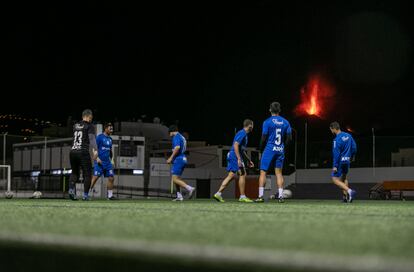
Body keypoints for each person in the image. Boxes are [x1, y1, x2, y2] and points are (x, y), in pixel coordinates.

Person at [255, 102, 292, 203]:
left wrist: (260, 148)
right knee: (279, 173)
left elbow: (263, 138)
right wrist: (284, 148)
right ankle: (281, 196)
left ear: (270, 110)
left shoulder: (267, 122)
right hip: (280, 149)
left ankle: (260, 196)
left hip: (269, 149)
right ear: (279, 110)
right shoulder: (286, 122)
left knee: (263, 172)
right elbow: (289, 138)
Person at [213, 119, 254, 203]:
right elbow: (235, 145)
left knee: (231, 175)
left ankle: (218, 194)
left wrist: (248, 160)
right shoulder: (242, 133)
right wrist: (239, 158)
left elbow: (241, 150)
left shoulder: (244, 134)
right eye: (252, 125)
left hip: (233, 155)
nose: (253, 127)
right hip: (234, 155)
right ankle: (242, 196)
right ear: (250, 126)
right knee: (242, 174)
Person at [68, 109, 97, 201]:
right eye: (91, 117)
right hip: (83, 151)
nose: (91, 119)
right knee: (87, 174)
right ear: (89, 116)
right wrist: (95, 150)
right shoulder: (89, 126)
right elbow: (91, 139)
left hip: (73, 151)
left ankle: (71, 189)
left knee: (74, 172)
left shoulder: (75, 125)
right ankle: (85, 195)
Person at [329, 121, 357, 203]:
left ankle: (350, 191)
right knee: (344, 178)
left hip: (340, 162)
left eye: (331, 129)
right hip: (347, 161)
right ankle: (346, 198)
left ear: (334, 129)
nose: (331, 131)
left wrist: (335, 166)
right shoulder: (349, 135)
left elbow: (336, 155)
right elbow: (354, 147)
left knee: (334, 179)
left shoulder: (336, 140)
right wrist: (352, 157)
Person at [166, 125, 195, 201]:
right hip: (183, 158)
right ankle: (179, 196)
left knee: (174, 179)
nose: (169, 135)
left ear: (172, 131)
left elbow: (177, 148)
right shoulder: (182, 137)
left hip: (179, 159)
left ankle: (190, 188)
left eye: (169, 133)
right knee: (176, 178)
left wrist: (170, 158)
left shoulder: (176, 137)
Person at [90, 123, 117, 200]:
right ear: (105, 129)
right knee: (95, 178)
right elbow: (94, 148)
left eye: (112, 128)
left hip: (108, 163)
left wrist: (112, 160)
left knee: (111, 178)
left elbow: (110, 151)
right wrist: (97, 158)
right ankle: (87, 193)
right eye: (110, 128)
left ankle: (110, 196)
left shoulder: (110, 139)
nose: (111, 129)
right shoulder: (99, 137)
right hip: (99, 162)